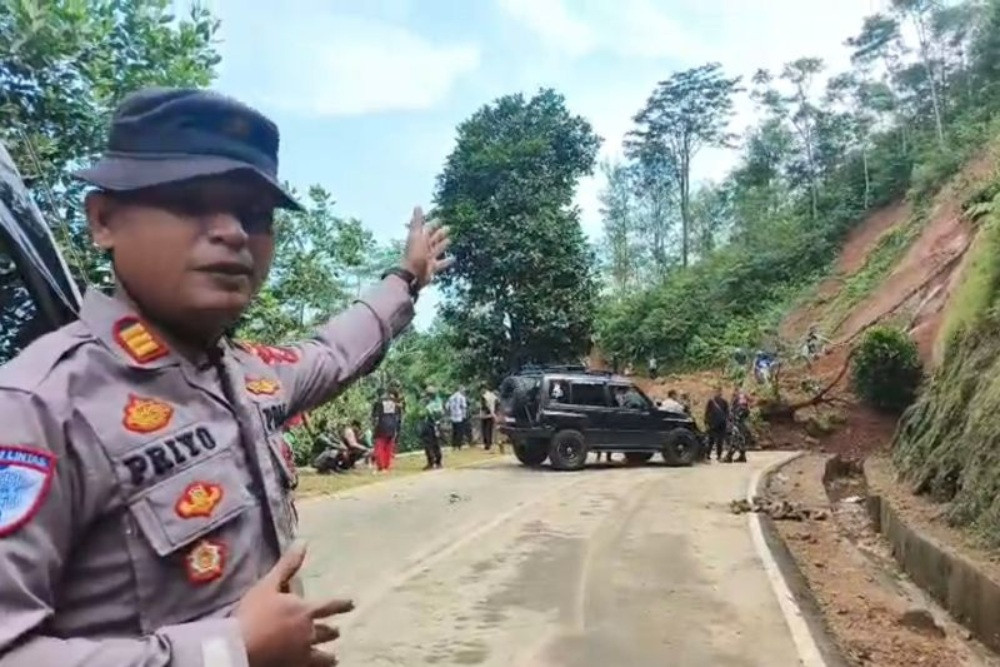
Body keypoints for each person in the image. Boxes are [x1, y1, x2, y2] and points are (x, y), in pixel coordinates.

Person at [0, 88, 452, 667]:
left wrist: (406, 277)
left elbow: (335, 349)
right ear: (104, 220)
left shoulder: (245, 377)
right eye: (192, 202)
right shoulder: (38, 408)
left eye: (255, 215)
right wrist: (228, 649)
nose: (235, 232)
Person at [371, 389, 401, 472]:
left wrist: (374, 426)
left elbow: (375, 417)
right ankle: (387, 465)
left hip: (382, 426)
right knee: (389, 446)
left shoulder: (378, 402)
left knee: (380, 446)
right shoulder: (394, 403)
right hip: (392, 425)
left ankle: (381, 466)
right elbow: (397, 416)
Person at [420, 386, 445, 469]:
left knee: (430, 444)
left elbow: (423, 413)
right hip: (436, 424)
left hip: (430, 424)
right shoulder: (438, 402)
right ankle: (437, 462)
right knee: (435, 443)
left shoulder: (430, 404)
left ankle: (432, 462)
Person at [704, 386, 730, 462]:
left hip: (721, 424)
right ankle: (708, 455)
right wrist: (706, 421)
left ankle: (719, 455)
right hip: (713, 423)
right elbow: (707, 412)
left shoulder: (724, 402)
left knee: (720, 440)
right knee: (711, 440)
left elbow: (727, 413)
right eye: (716, 391)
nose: (718, 393)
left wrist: (727, 421)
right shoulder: (711, 402)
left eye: (719, 391)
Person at [447, 385, 471, 450]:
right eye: (463, 390)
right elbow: (464, 407)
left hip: (453, 416)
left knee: (454, 431)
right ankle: (458, 445)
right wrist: (464, 415)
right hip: (460, 416)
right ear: (460, 390)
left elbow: (447, 407)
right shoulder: (461, 397)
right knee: (460, 432)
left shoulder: (451, 397)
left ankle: (453, 445)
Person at [479, 384, 498, 450]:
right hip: (490, 415)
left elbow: (483, 406)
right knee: (488, 430)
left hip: (485, 415)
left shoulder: (484, 396)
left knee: (485, 430)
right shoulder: (493, 396)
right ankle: (488, 443)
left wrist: (488, 411)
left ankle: (486, 444)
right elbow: (497, 403)